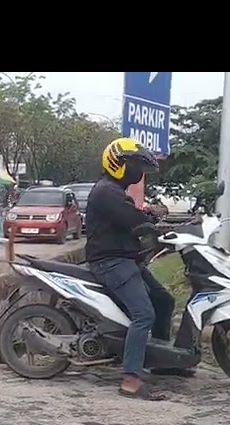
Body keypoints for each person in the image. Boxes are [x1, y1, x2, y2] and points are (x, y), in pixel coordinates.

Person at [84, 137, 182, 402]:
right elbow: (133, 220)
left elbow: (135, 216)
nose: (138, 173)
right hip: (110, 262)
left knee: (164, 301)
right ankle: (130, 379)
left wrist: (159, 220)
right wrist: (151, 224)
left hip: (127, 260)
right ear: (118, 163)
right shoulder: (106, 192)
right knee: (143, 313)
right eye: (135, 166)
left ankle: (161, 360)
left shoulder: (116, 192)